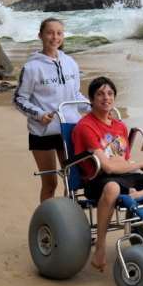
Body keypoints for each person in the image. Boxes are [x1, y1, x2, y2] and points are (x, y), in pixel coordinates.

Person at [72, 76, 143, 272]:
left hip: (126, 176)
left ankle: (139, 195)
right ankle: (100, 247)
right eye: (100, 94)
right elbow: (107, 167)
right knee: (112, 186)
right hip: (98, 179)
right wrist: (138, 163)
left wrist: (140, 166)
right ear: (91, 99)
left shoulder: (120, 126)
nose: (106, 98)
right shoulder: (86, 127)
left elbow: (122, 161)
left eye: (110, 94)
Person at [14, 17, 88, 203]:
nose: (55, 37)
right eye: (50, 33)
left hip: (69, 129)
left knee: (72, 181)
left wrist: (94, 108)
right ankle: (47, 223)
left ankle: (67, 219)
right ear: (40, 35)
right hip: (42, 132)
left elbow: (75, 95)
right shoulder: (32, 67)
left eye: (59, 33)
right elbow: (19, 98)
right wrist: (38, 114)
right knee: (50, 184)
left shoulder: (70, 62)